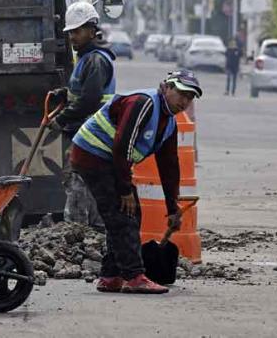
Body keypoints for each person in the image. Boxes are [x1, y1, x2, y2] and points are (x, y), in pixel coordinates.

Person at [70, 70, 202, 294]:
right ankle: (133, 276)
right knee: (122, 215)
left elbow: (169, 166)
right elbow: (123, 146)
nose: (185, 101)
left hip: (110, 162)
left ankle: (111, 275)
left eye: (190, 97)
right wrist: (124, 190)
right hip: (93, 155)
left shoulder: (169, 123)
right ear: (166, 88)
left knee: (128, 214)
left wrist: (172, 208)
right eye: (181, 93)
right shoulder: (144, 104)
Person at [48, 1, 116, 228]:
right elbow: (81, 91)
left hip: (92, 134)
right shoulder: (87, 58)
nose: (73, 37)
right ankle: (96, 229)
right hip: (85, 132)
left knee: (76, 179)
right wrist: (64, 94)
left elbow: (89, 99)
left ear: (91, 30)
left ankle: (74, 230)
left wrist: (61, 119)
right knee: (90, 182)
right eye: (70, 33)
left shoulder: (96, 60)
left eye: (77, 31)